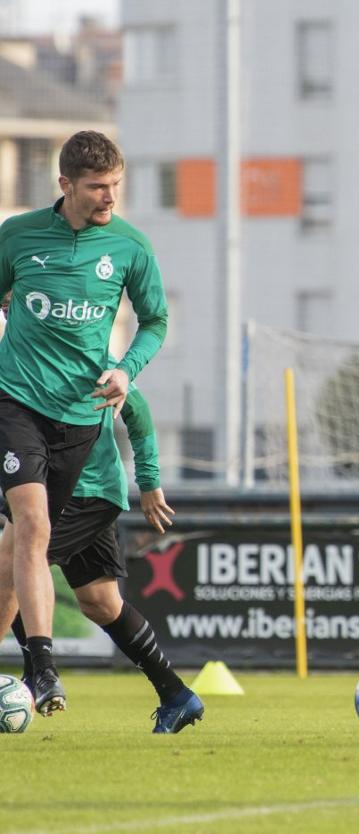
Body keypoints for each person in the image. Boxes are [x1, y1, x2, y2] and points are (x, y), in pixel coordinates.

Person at [0, 130, 167, 714]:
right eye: (98, 187)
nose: (109, 198)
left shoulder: (130, 247)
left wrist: (127, 369)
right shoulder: (17, 236)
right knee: (31, 523)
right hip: (15, 401)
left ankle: (170, 692)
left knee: (34, 558)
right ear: (66, 185)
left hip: (81, 421)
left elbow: (156, 321)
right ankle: (42, 670)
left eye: (116, 186)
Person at [0, 346, 199, 732]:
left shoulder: (76, 346)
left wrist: (150, 482)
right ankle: (177, 695)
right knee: (100, 603)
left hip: (86, 491)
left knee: (17, 564)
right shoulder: (19, 351)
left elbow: (136, 408)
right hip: (65, 490)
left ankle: (38, 675)